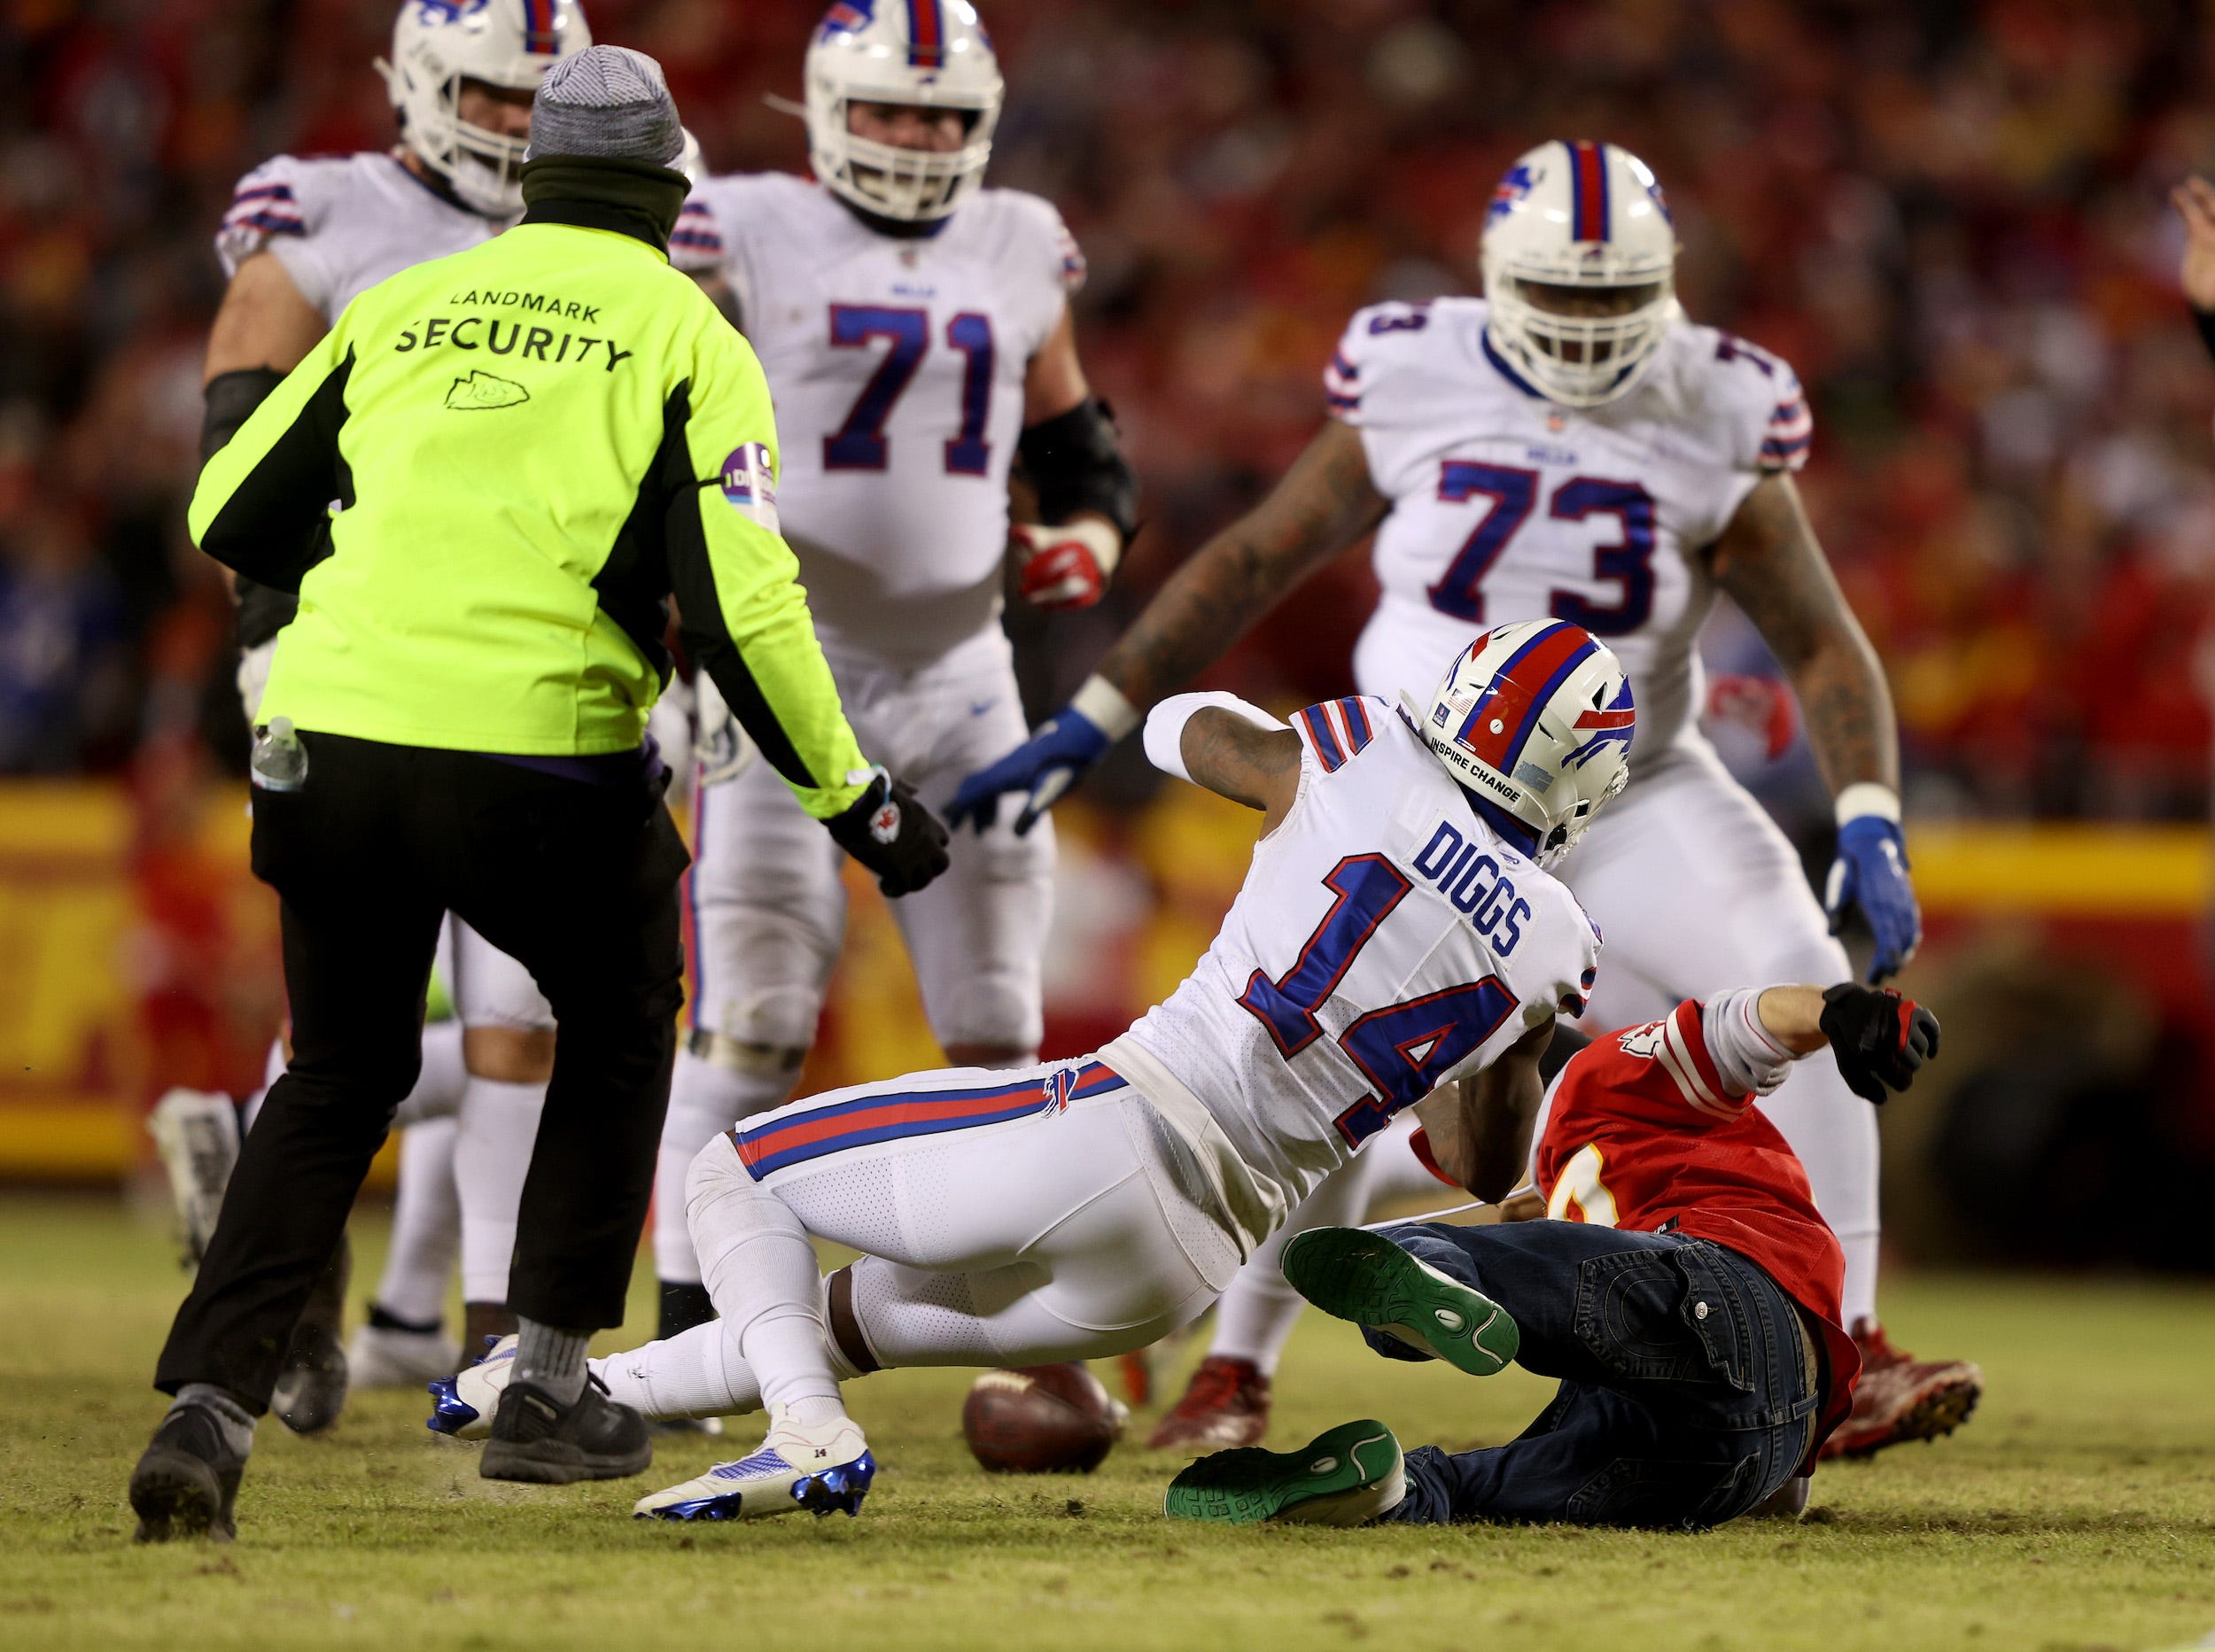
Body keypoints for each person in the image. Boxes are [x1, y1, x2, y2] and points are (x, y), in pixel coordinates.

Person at [953, 138, 1977, 1459]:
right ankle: (1233, 1369)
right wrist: (1098, 711)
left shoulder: (1719, 403)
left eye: (1618, 298)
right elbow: (1264, 551)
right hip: (1418, 782)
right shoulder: (1416, 367)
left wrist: (1874, 815)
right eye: (1566, 294)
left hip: (1640, 785)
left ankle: (1854, 1353)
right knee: (1325, 1050)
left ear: (1662, 286)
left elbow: (1824, 637)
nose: (1593, 324)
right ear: (1498, 279)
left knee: (1801, 970)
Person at [126, 44, 950, 1545]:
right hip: (536, 753)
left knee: (339, 1074)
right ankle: (550, 1382)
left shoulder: (399, 306)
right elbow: (751, 607)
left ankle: (208, 1408)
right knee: (631, 1015)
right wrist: (858, 801)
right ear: (666, 184)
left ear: (534, 177)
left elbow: (226, 507)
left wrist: (391, 596)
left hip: (331, 740)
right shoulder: (683, 331)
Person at [429, 620, 1627, 1523]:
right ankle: (579, 1387)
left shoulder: (1359, 745)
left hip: (1121, 1124)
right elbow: (1479, 1157)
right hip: (1188, 1266)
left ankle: (803, 1437)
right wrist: (1519, 1036)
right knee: (839, 1319)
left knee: (734, 1167)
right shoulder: (1559, 942)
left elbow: (1192, 734)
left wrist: (1180, 726)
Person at [644, 0, 1136, 1365]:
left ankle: (1021, 1337)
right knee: (751, 1023)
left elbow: (1080, 441)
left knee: (996, 1030)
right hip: (786, 665)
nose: (919, 140)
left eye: (944, 117)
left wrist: (1087, 540)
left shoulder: (1021, 240)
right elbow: (647, 433)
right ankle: (694, 1325)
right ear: (822, 110)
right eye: (891, 112)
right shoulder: (737, 223)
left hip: (966, 670)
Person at [146, 0, 602, 1434]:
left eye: (544, 101)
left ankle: (483, 1338)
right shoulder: (330, 214)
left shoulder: (609, 235)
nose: (516, 126)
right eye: (489, 94)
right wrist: (292, 636)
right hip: (352, 657)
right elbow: (238, 459)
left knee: (521, 998)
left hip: (536, 657)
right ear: (415, 83)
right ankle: (293, 1290)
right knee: (359, 1016)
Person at [1166, 978, 1940, 1530]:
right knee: (1492, 1482)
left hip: (1722, 1291)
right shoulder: (1565, 1172)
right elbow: (1784, 1496)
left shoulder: (1596, 1074)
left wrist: (1836, 1007)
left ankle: (1446, 1274)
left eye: (1440, 1089)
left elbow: (1743, 1025)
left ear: (1499, 1077)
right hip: (1753, 1457)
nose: (1432, 1114)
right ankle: (1398, 1489)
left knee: (1442, 1252)